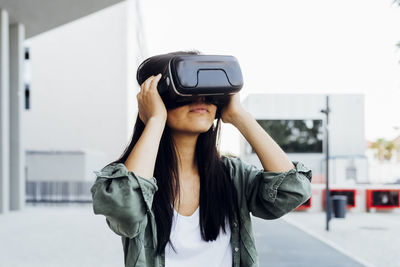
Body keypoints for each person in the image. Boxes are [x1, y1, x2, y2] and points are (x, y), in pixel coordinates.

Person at [90, 51, 313, 267]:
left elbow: (293, 190)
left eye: (208, 90)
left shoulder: (232, 175)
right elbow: (124, 208)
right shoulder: (132, 177)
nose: (200, 98)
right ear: (157, 98)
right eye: (186, 88)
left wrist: (239, 116)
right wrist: (155, 119)